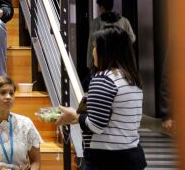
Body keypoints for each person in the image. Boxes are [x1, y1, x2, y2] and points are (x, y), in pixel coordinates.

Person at [56, 27, 146, 170]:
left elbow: (96, 126)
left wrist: (75, 115)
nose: (92, 52)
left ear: (106, 51)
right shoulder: (132, 79)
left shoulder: (103, 79)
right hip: (132, 156)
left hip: (106, 159)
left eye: (95, 46)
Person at [86, 0, 136, 70]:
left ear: (102, 7)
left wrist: (90, 64)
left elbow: (92, 44)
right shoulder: (124, 21)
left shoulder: (96, 22)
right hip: (121, 60)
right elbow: (132, 38)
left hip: (104, 61)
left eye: (99, 7)